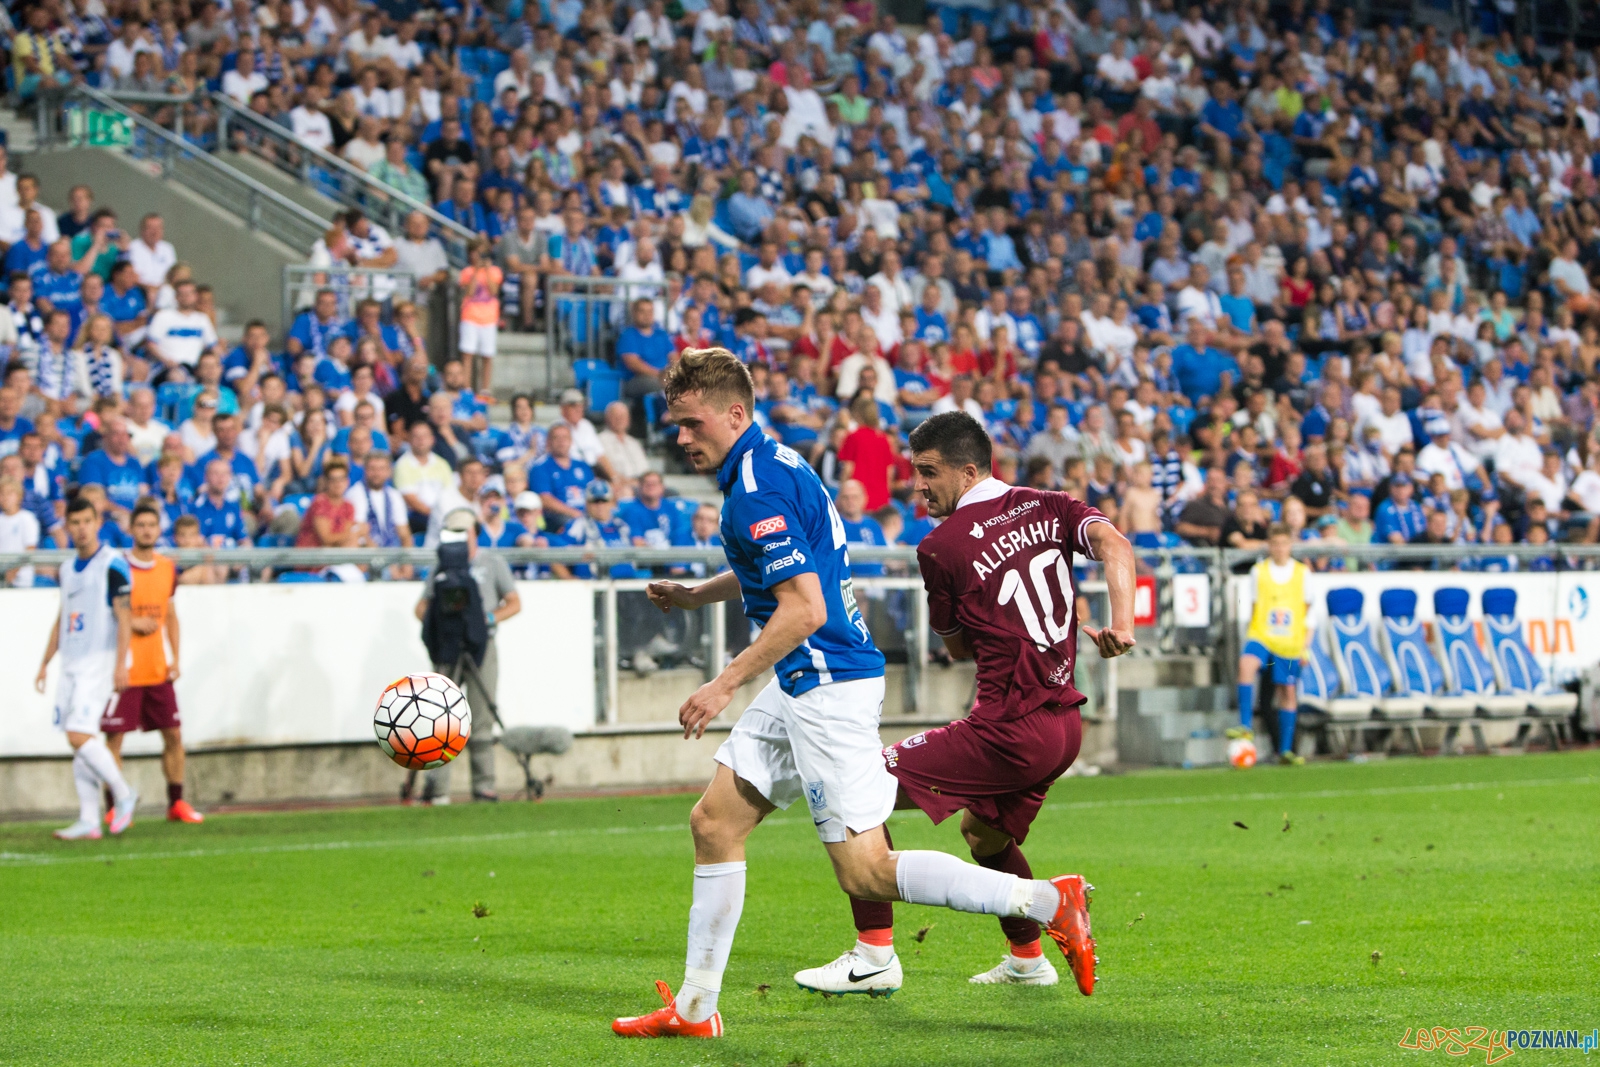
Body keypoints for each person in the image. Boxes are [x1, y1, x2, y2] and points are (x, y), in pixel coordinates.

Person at [614, 351, 1095, 1038]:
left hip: (823, 680)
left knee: (867, 872)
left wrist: (724, 682)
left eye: (692, 424)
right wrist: (700, 592)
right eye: (677, 425)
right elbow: (786, 564)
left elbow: (804, 607)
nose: (682, 437)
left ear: (734, 413)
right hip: (808, 675)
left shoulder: (755, 487)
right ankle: (694, 1010)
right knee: (714, 822)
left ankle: (1047, 900)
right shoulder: (775, 461)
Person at [794, 410, 1135, 995]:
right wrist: (1120, 624)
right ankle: (1029, 959)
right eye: (914, 472)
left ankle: (873, 956)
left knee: (858, 787)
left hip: (1005, 729)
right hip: (1063, 727)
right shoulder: (1052, 506)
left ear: (969, 470)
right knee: (984, 836)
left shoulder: (942, 546)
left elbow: (955, 650)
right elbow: (1115, 544)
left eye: (928, 472)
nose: (917, 485)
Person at [32, 495, 139, 840]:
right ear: (68, 526)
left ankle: (124, 794)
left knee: (78, 734)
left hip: (99, 661)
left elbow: (124, 616)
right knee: (81, 739)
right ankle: (89, 819)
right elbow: (63, 617)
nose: (80, 529)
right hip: (72, 663)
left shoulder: (112, 563)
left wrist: (121, 663)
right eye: (74, 523)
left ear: (97, 523)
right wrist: (46, 662)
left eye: (86, 522)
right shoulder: (67, 569)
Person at [100, 501, 203, 822]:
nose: (146, 530)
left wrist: (176, 658)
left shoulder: (167, 567)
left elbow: (170, 614)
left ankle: (176, 802)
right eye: (140, 525)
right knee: (114, 740)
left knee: (174, 736)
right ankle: (113, 807)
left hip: (158, 668)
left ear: (159, 530)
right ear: (130, 529)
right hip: (126, 669)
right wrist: (130, 623)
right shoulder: (117, 566)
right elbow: (106, 615)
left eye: (151, 525)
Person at [412, 506, 521, 803]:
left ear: (475, 532)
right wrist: (440, 623)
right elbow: (422, 607)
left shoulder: (492, 562)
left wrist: (486, 618)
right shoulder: (441, 567)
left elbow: (513, 602)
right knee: (440, 719)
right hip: (448, 647)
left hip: (482, 644)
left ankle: (484, 786)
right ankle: (438, 788)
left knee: (481, 718)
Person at [1232, 523, 1311, 768]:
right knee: (1246, 665)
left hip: (1289, 642)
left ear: (1290, 545)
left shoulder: (1302, 573)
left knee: (1286, 693)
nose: (1279, 548)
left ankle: (1285, 750)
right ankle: (1245, 727)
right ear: (1269, 546)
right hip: (1263, 634)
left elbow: (1308, 612)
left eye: (1283, 544)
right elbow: (1255, 606)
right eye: (1274, 544)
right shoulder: (1259, 571)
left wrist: (1305, 646)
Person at [457, 238, 502, 391]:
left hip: (489, 318)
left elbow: (494, 290)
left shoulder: (495, 271)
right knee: (467, 354)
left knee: (487, 355)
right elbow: (469, 292)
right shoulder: (466, 272)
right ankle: (466, 387)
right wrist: (476, 271)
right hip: (470, 316)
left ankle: (485, 389)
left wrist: (486, 270)